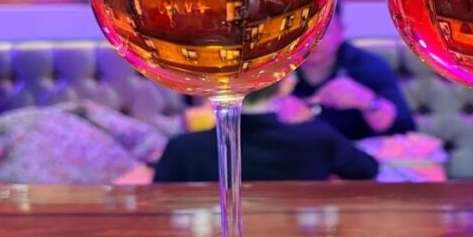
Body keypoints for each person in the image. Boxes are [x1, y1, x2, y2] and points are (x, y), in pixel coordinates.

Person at [154, 76, 380, 182]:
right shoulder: (317, 137)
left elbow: (161, 205)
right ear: (286, 83)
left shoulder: (182, 149)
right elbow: (367, 168)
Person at [275, 3, 416, 140]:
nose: (313, 41)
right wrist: (272, 112)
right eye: (303, 32)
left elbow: (405, 130)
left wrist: (367, 101)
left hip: (357, 158)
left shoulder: (368, 66)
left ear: (341, 31)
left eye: (323, 31)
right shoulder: (271, 71)